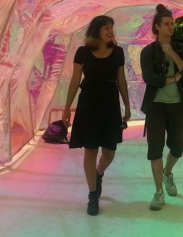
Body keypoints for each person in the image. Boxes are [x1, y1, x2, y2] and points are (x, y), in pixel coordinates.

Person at [62, 15, 131, 216]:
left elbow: (121, 80)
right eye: (106, 28)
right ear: (96, 31)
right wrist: (67, 107)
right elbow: (75, 80)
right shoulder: (83, 52)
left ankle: (98, 174)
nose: (110, 31)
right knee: (90, 150)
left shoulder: (117, 52)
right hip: (89, 104)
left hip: (110, 105)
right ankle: (93, 195)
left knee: (109, 151)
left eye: (112, 28)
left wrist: (127, 106)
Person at [140, 4, 183, 211]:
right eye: (167, 24)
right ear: (157, 27)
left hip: (177, 105)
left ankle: (167, 174)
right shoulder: (148, 51)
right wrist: (171, 79)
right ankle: (158, 192)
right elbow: (149, 78)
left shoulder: (181, 48)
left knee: (178, 147)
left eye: (172, 24)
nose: (171, 27)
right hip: (155, 106)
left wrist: (172, 52)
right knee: (155, 149)